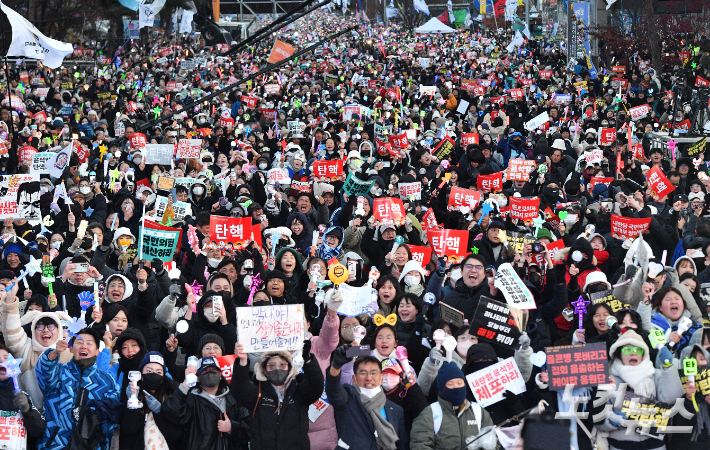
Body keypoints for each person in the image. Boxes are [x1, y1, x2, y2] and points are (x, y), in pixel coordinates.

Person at [35, 327, 121, 450]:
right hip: (55, 444)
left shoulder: (107, 381)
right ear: (71, 348)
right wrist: (54, 353)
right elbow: (44, 374)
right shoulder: (59, 372)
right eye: (79, 342)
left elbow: (112, 419)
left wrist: (92, 418)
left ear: (97, 351)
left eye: (89, 343)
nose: (84, 346)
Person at [231, 342, 324, 450]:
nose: (277, 369)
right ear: (264, 370)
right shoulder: (257, 392)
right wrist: (242, 361)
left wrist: (308, 359)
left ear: (289, 368)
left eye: (282, 365)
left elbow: (316, 386)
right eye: (271, 365)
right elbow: (239, 391)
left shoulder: (299, 391)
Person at [326, 346, 408, 450]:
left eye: (374, 373)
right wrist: (336, 366)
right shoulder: (348, 398)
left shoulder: (396, 410)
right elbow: (334, 391)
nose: (369, 378)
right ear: (354, 379)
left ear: (381, 378)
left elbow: (402, 445)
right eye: (363, 373)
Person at [162, 356, 250, 450]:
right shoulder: (191, 400)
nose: (210, 373)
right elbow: (170, 411)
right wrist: (185, 384)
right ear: (198, 378)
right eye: (205, 371)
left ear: (220, 376)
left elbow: (249, 430)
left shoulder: (233, 399)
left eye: (214, 370)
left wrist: (232, 427)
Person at [410, 362, 496, 449]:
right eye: (450, 384)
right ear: (442, 388)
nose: (456, 387)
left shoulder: (478, 412)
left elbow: (493, 442)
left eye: (460, 383)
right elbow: (419, 444)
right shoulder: (430, 414)